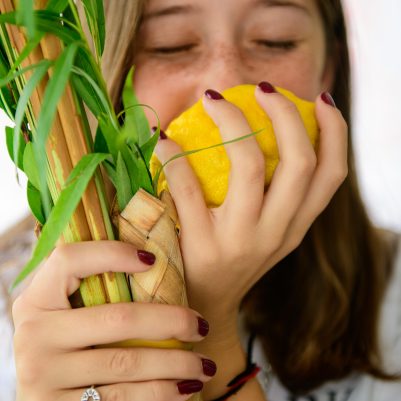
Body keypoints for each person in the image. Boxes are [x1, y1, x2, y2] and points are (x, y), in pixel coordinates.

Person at [6, 0, 401, 400]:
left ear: (329, 68)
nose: (225, 82)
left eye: (275, 40)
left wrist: (204, 325)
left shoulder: (393, 300)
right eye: (170, 45)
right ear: (106, 72)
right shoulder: (25, 304)